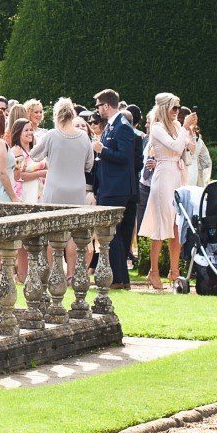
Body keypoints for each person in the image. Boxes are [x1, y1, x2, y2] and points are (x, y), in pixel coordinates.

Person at [141, 93, 191, 291]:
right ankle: (153, 272)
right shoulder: (157, 128)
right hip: (163, 177)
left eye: (178, 108)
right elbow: (176, 145)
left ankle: (174, 271)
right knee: (161, 226)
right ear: (164, 108)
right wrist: (185, 128)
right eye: (174, 108)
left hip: (177, 175)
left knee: (177, 225)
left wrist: (185, 130)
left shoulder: (177, 127)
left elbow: (185, 149)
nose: (177, 112)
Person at [93, 89, 141, 288]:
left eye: (98, 106)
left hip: (117, 189)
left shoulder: (122, 127)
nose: (97, 110)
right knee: (114, 235)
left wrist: (102, 150)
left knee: (112, 234)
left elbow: (125, 158)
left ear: (106, 105)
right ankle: (120, 279)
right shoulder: (112, 126)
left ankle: (119, 279)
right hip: (109, 187)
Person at [39, 98, 95, 206]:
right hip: (77, 189)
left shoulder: (51, 134)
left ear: (56, 116)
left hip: (55, 188)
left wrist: (48, 158)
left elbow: (35, 155)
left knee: (53, 219)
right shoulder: (84, 136)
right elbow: (89, 165)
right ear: (73, 115)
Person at [9, 117, 47, 204]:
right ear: (18, 133)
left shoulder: (33, 150)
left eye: (31, 130)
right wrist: (40, 174)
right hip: (25, 193)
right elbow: (18, 176)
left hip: (37, 191)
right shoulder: (16, 151)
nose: (30, 133)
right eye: (26, 130)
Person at [180, 108, 211, 189]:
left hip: (181, 169)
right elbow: (206, 161)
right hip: (194, 170)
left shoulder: (180, 134)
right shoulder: (197, 137)